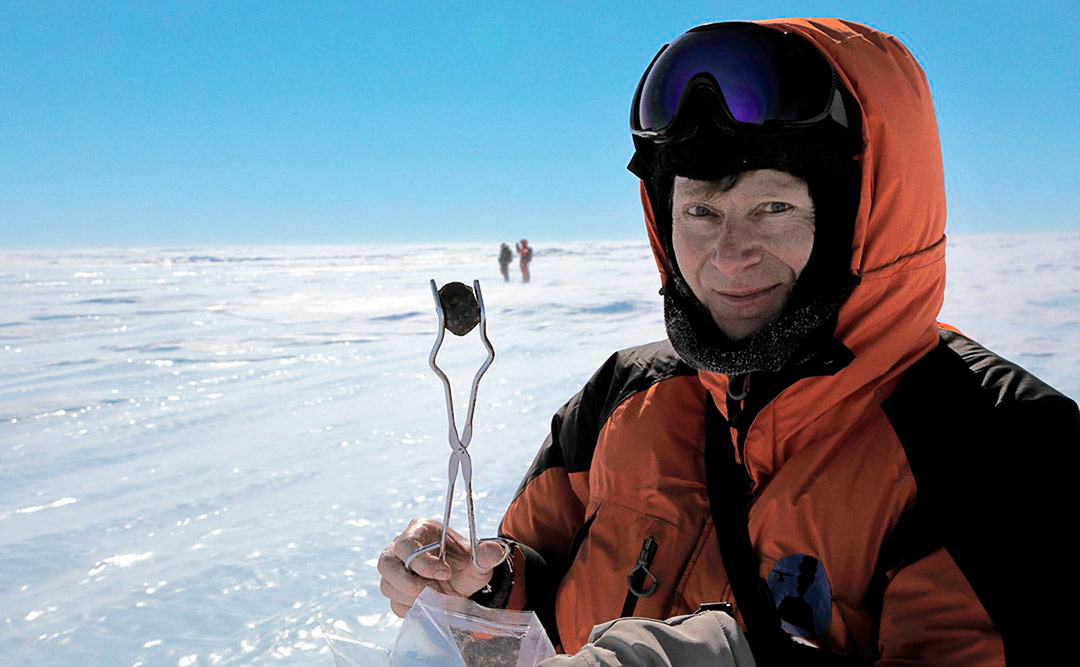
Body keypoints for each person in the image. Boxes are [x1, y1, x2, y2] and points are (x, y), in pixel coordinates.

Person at [379, 18, 1080, 665]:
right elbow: (536, 570)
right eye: (700, 210)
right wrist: (480, 589)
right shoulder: (625, 397)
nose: (728, 254)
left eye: (772, 205)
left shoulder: (1000, 445)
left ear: (858, 220)